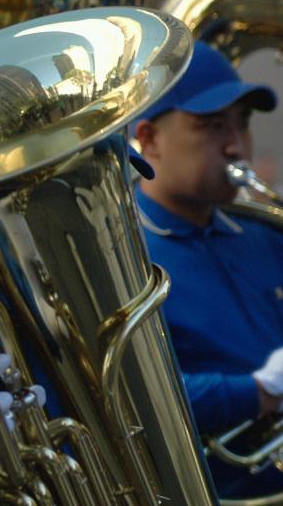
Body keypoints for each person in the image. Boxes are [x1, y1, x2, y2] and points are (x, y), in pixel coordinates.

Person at [133, 39, 283, 498]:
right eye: (213, 125)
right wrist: (258, 390)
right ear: (150, 139)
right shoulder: (126, 259)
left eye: (242, 123)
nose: (237, 145)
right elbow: (127, 398)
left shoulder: (263, 234)